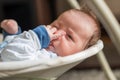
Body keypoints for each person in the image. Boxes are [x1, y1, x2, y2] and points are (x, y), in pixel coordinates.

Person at [0, 9, 101, 61]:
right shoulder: (41, 47)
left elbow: (11, 57)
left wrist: (36, 37)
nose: (56, 33)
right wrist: (12, 35)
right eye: (55, 26)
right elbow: (12, 46)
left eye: (69, 36)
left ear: (81, 52)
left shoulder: (47, 58)